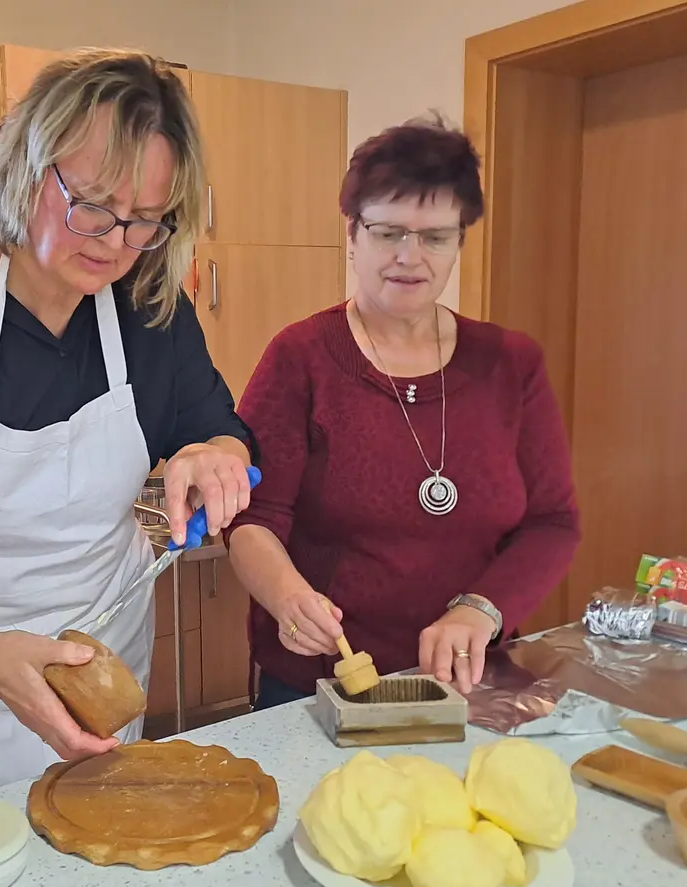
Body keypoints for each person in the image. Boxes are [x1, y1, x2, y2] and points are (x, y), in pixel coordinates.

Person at [0, 49, 254, 818]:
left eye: (145, 222)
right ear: (28, 165)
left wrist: (213, 456)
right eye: (92, 204)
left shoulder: (145, 297)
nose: (115, 242)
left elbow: (218, 427)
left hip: (104, 666)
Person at [226, 115, 581, 708]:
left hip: (469, 676)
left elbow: (553, 522)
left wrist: (481, 609)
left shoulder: (511, 363)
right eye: (388, 232)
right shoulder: (301, 357)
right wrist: (288, 595)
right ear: (351, 235)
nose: (409, 257)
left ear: (459, 241)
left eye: (435, 236)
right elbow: (253, 518)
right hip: (320, 678)